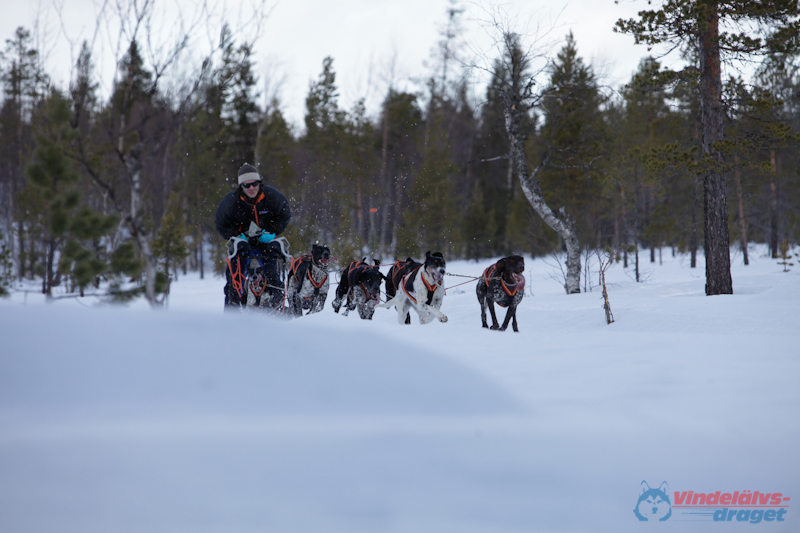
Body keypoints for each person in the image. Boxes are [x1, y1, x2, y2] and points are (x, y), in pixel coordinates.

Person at [215, 163, 292, 308]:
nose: (251, 188)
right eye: (246, 185)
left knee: (272, 269)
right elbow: (220, 224)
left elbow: (284, 214)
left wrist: (272, 230)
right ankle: (233, 307)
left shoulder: (272, 196)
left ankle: (276, 303)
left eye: (254, 184)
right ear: (241, 186)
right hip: (242, 242)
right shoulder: (231, 201)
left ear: (259, 182)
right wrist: (236, 236)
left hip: (265, 240)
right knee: (235, 276)